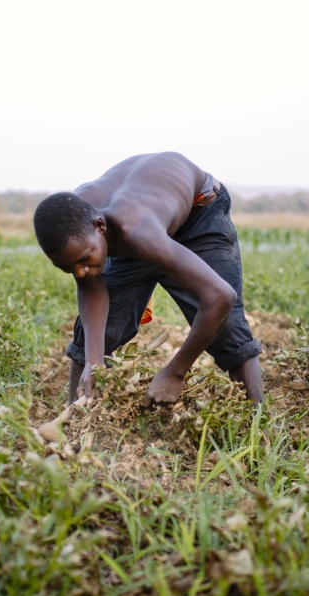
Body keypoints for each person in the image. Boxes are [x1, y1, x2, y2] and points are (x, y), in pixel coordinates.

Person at [33, 152, 263, 407]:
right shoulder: (74, 223)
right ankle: (76, 417)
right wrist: (93, 360)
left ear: (100, 226)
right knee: (97, 334)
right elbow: (90, 286)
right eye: (67, 267)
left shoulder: (133, 230)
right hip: (140, 226)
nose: (80, 272)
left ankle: (256, 423)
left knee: (228, 328)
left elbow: (221, 296)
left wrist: (175, 373)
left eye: (85, 260)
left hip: (199, 214)